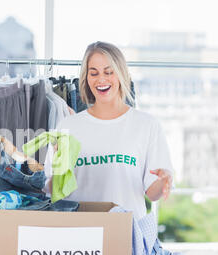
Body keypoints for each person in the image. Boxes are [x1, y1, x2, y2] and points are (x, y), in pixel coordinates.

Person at [47, 41, 173, 218]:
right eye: (94, 73)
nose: (101, 79)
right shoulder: (67, 126)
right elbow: (54, 192)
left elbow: (152, 193)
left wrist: (164, 181)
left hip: (127, 235)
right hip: (79, 236)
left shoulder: (146, 125)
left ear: (121, 74)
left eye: (108, 72)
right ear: (86, 77)